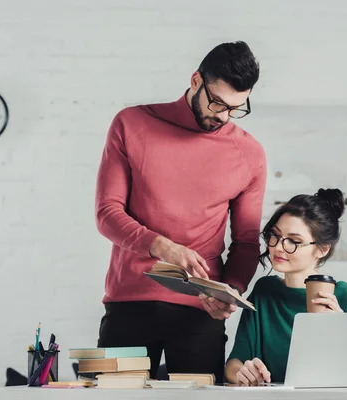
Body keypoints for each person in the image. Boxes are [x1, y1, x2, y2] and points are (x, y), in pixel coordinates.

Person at [94, 41, 267, 383]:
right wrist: (164, 247)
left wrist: (230, 291)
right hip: (129, 304)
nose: (223, 116)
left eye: (236, 108)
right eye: (217, 103)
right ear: (195, 81)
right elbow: (107, 213)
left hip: (200, 314)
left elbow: (246, 242)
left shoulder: (250, 153)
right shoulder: (131, 123)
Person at [225, 188, 347, 385]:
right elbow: (234, 363)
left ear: (322, 249)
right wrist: (243, 373)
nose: (278, 246)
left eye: (293, 241)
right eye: (275, 235)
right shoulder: (265, 292)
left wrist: (345, 331)